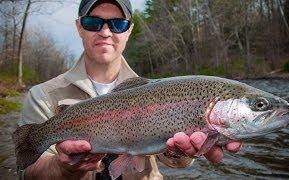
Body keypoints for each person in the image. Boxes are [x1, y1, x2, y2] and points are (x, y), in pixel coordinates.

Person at [17, 0, 242, 179]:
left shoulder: (158, 92)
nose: (105, 32)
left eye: (118, 24)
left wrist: (179, 152)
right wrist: (64, 168)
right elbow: (28, 172)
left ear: (129, 30)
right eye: (93, 23)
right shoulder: (42, 96)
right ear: (79, 27)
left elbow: (176, 161)